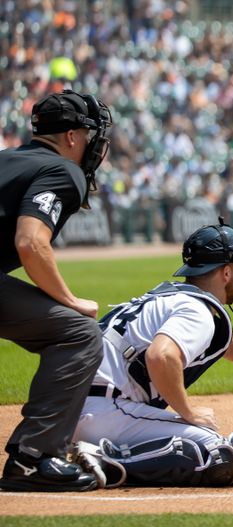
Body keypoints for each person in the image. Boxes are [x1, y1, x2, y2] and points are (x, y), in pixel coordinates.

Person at [69, 220, 233, 487]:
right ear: (225, 272)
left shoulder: (169, 297)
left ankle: (91, 448)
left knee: (217, 448)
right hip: (105, 414)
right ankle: (107, 457)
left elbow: (229, 346)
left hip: (70, 411)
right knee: (220, 453)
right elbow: (161, 356)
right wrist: (188, 412)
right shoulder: (198, 311)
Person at [0, 90, 113, 492]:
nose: (98, 144)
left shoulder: (9, 160)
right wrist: (68, 300)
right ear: (71, 137)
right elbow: (31, 242)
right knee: (78, 333)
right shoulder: (63, 171)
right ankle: (34, 459)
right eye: (93, 135)